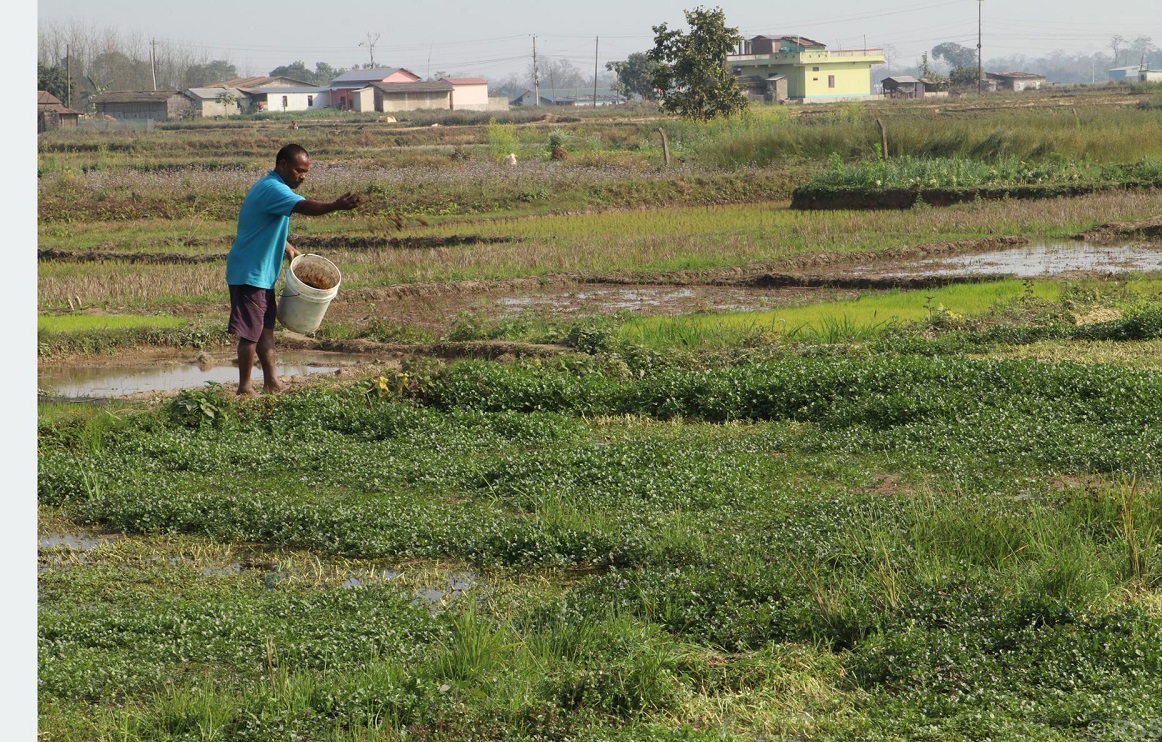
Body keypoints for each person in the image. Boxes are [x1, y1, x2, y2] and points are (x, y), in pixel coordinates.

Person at [226, 143, 362, 396]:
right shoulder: (273, 188)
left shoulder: (271, 187)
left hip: (262, 274)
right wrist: (335, 205)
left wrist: (287, 248)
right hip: (250, 273)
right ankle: (244, 388)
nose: (302, 177)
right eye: (299, 171)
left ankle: (271, 382)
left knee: (266, 330)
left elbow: (263, 224)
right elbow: (305, 207)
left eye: (306, 172)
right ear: (283, 165)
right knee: (250, 333)